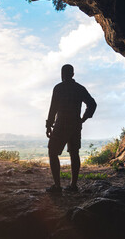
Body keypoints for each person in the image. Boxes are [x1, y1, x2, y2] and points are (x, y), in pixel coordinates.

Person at [45, 64, 96, 193]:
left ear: (63, 74)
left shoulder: (59, 88)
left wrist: (49, 124)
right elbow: (92, 104)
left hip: (61, 124)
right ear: (73, 74)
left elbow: (53, 108)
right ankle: (73, 186)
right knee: (74, 153)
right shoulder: (79, 88)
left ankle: (57, 186)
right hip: (75, 125)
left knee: (52, 151)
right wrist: (82, 119)